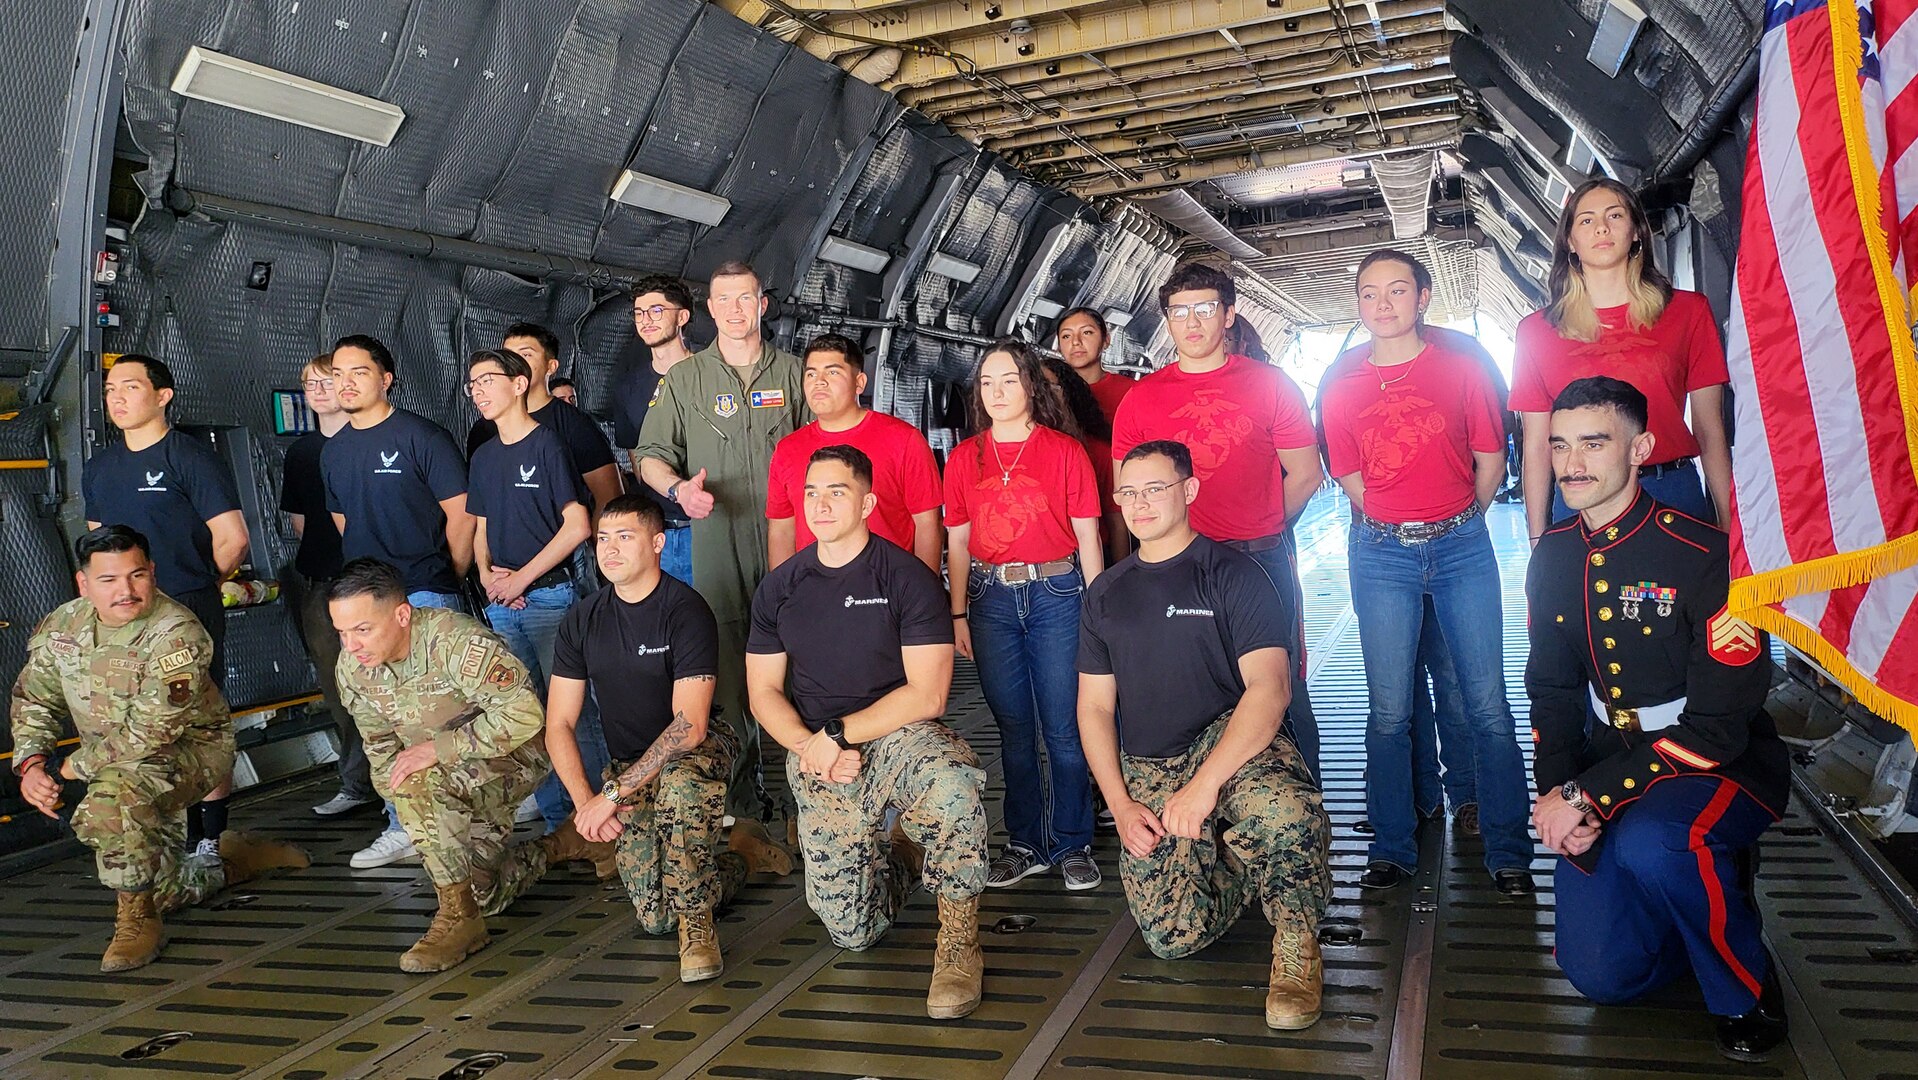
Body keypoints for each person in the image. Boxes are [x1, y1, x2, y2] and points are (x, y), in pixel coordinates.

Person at [1528, 376, 1789, 1062]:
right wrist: (1556, 791)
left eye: (1594, 442)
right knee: (1603, 977)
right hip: (1604, 753)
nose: (1572, 463)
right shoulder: (1553, 554)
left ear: (1641, 447)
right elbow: (1553, 692)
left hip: (1716, 763)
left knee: (1653, 841)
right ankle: (1696, 909)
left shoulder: (1706, 553)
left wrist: (1591, 795)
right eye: (1559, 445)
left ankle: (1747, 987)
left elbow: (1719, 728)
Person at [1077, 441, 1333, 1030]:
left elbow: (1269, 691)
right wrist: (1119, 803)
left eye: (1155, 489)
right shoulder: (1106, 593)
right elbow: (1093, 706)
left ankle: (1296, 943)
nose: (1140, 503)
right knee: (1173, 939)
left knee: (1285, 810)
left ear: (1188, 491)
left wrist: (1204, 788)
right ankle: (1240, 862)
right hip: (1150, 761)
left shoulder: (1235, 575)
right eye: (1128, 492)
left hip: (1230, 748)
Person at [745, 446, 987, 1020]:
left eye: (837, 492)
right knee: (852, 932)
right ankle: (901, 858)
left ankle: (959, 943)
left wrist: (838, 733)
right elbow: (762, 693)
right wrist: (812, 747)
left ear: (868, 502)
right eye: (811, 493)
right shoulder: (781, 587)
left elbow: (927, 695)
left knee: (953, 785)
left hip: (897, 733)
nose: (821, 504)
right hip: (819, 749)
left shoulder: (905, 578)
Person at [1318, 250, 1533, 895]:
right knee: (1387, 708)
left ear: (1423, 297)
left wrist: (1455, 519)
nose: (1382, 304)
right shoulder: (1342, 382)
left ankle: (1508, 849)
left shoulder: (1462, 366)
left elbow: (1489, 457)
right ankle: (1390, 845)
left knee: (1487, 703)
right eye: (1368, 293)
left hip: (1462, 547)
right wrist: (1397, 520)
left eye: (1396, 290)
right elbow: (1350, 475)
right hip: (1381, 551)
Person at [9, 526, 308, 972]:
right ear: (83, 583)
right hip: (114, 761)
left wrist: (64, 770)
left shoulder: (176, 632)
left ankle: (135, 920)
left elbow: (150, 732)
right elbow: (36, 697)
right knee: (161, 882)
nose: (125, 591)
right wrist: (31, 763)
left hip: (189, 753)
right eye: (108, 580)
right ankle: (231, 862)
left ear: (152, 572)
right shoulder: (64, 625)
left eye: (136, 576)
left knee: (109, 803)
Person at [550, 495, 793, 982]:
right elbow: (558, 723)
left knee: (681, 789)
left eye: (625, 537)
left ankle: (699, 928)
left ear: (658, 543)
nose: (610, 550)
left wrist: (612, 796)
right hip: (629, 765)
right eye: (602, 538)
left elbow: (688, 727)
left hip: (696, 750)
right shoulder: (583, 618)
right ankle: (743, 855)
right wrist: (585, 803)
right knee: (655, 916)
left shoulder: (685, 610)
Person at [329, 558, 601, 972]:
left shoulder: (454, 643)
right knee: (484, 892)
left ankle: (458, 920)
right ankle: (563, 844)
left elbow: (526, 716)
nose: (352, 646)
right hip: (447, 776)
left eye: (363, 630)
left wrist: (438, 752)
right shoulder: (354, 668)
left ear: (402, 614)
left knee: (418, 782)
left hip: (514, 757)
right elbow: (380, 745)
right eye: (342, 633)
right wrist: (421, 820)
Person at [1111, 263, 1326, 778]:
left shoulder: (1272, 384)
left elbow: (1306, 472)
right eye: (1180, 311)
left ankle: (1301, 805)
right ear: (1166, 320)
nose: (1193, 322)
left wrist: (1261, 523)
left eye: (1206, 308)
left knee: (1279, 685)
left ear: (1228, 315)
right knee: (1182, 684)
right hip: (1175, 568)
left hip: (1258, 558)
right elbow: (1127, 488)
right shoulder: (1142, 398)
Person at [634, 260, 810, 824]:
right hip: (720, 548)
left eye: (746, 298)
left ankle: (826, 798)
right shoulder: (685, 381)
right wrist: (679, 489)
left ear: (763, 304)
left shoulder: (798, 373)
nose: (735, 310)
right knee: (729, 681)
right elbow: (649, 456)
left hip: (799, 548)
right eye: (724, 299)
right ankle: (744, 809)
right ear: (709, 310)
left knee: (817, 668)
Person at [946, 340, 1104, 890]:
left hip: (1058, 592)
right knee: (1013, 729)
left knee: (1063, 726)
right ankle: (1024, 842)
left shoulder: (1064, 451)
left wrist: (1097, 607)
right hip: (990, 600)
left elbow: (1089, 536)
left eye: (1009, 380)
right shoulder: (967, 458)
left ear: (1032, 386)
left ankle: (1072, 842)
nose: (997, 392)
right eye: (987, 382)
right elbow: (959, 541)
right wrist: (958, 612)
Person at [83, 353, 249, 858]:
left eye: (130, 387)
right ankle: (161, 832)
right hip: (126, 618)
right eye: (110, 389)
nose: (117, 397)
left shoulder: (190, 458)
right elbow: (97, 544)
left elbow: (232, 538)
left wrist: (194, 584)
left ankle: (209, 839)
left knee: (200, 717)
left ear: (162, 396)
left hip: (188, 607)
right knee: (136, 717)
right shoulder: (101, 468)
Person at [322, 333, 474, 869]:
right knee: (386, 723)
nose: (345, 382)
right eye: (337, 373)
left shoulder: (421, 436)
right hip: (369, 611)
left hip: (427, 590)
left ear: (386, 378)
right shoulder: (334, 451)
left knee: (448, 717)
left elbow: (461, 512)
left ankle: (469, 826)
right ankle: (403, 825)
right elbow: (346, 524)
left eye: (358, 372)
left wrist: (448, 573)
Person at [1513, 178, 1732, 542]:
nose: (1601, 227)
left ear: (1635, 232)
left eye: (1614, 215)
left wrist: (1728, 526)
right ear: (1570, 241)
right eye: (1586, 220)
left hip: (1671, 492)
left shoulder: (1688, 313)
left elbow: (1711, 430)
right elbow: (1537, 445)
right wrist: (1538, 540)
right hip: (1582, 500)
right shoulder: (1536, 332)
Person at [466, 348, 601, 831]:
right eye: (472, 384)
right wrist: (486, 576)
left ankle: (597, 814)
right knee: (526, 716)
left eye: (487, 380)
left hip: (549, 599)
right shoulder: (483, 455)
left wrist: (521, 578)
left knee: (573, 715)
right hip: (503, 602)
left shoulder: (547, 446)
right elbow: (479, 525)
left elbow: (577, 525)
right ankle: (557, 821)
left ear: (520, 384)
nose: (478, 390)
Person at [280, 354, 374, 817]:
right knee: (338, 687)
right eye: (309, 383)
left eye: (327, 380)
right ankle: (357, 782)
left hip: (369, 582)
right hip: (322, 583)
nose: (318, 389)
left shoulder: (370, 442)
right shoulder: (301, 453)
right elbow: (300, 523)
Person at [767, 333, 941, 573]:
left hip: (887, 591)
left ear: (859, 383)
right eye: (811, 374)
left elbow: (927, 524)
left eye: (832, 372)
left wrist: (922, 597)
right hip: (815, 592)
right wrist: (785, 596)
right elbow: (782, 530)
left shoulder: (904, 440)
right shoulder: (787, 450)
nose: (819, 381)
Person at [465, 324, 622, 515]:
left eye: (526, 354)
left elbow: (609, 497)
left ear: (551, 366)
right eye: (507, 356)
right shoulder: (483, 430)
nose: (514, 363)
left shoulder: (575, 425)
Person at [612, 276, 699, 584]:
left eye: (656, 310)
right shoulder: (628, 387)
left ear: (682, 317)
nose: (645, 320)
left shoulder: (711, 376)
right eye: (639, 312)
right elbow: (635, 454)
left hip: (708, 529)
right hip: (658, 531)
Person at [1057, 307, 1133, 563]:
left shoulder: (1132, 393)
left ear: (1106, 339)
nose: (1075, 342)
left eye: (1086, 332)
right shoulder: (1046, 397)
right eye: (1066, 336)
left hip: (1119, 517)